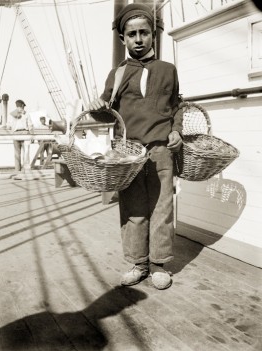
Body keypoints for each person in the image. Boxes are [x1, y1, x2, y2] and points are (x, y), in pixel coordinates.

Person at [88, 3, 183, 290]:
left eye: (144, 32)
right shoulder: (116, 75)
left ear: (153, 36)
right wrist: (95, 108)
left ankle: (159, 265)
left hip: (161, 152)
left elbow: (176, 105)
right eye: (132, 34)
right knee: (133, 209)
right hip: (128, 154)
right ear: (123, 39)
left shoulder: (168, 69)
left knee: (162, 208)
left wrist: (177, 130)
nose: (138, 39)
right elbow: (107, 113)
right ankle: (138, 263)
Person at [8, 99, 34, 171]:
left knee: (17, 153)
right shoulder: (26, 114)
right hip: (25, 133)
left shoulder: (12, 114)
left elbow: (9, 126)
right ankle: (26, 170)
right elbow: (30, 125)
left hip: (15, 134)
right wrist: (32, 135)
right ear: (22, 105)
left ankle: (17, 170)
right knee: (26, 153)